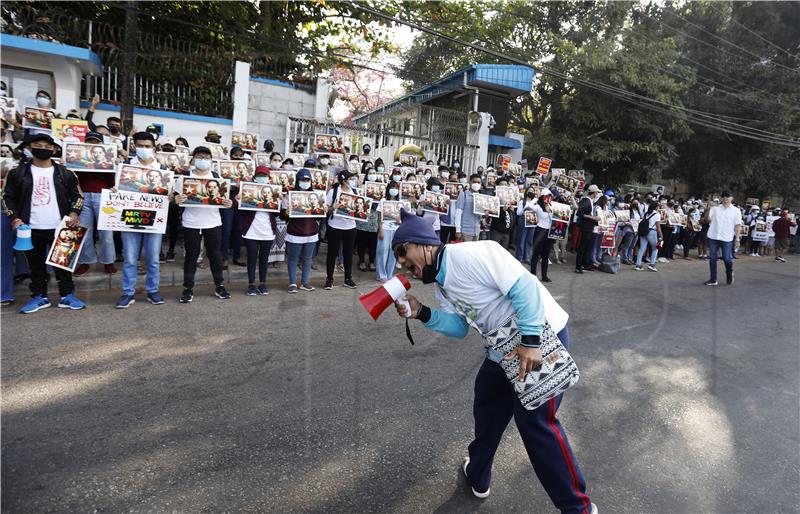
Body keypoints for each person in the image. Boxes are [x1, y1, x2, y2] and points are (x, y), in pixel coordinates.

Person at [391, 209, 595, 514]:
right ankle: (477, 473)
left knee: (536, 424)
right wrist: (421, 312)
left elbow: (523, 286)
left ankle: (578, 509)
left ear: (423, 243)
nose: (401, 263)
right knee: (487, 402)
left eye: (402, 251)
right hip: (502, 349)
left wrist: (530, 342)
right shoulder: (442, 283)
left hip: (538, 337)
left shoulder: (470, 254)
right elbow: (460, 327)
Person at [2, 133, 87, 313]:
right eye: (38, 144)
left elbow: (78, 195)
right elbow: (7, 197)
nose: (43, 148)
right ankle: (40, 297)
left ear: (54, 149)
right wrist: (15, 218)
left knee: (63, 264)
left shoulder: (66, 173)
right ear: (29, 147)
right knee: (36, 265)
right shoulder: (17, 173)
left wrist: (74, 212)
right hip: (29, 227)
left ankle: (67, 296)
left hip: (63, 226)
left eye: (48, 146)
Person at [174, 146, 233, 302]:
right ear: (193, 159)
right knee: (191, 257)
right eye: (199, 157)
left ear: (211, 160)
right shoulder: (184, 177)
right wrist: (177, 200)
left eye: (206, 157)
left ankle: (219, 286)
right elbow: (174, 199)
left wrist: (228, 203)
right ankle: (188, 288)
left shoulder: (217, 178)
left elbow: (224, 200)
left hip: (213, 223)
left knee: (215, 255)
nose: (203, 160)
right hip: (191, 223)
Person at [114, 131, 167, 308]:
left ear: (154, 148)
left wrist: (172, 196)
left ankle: (153, 290)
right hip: (130, 217)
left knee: (153, 258)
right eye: (140, 146)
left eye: (147, 146)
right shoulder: (126, 166)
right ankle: (128, 292)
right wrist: (114, 192)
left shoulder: (163, 170)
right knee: (130, 258)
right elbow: (117, 190)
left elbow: (170, 195)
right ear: (134, 147)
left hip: (154, 219)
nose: (144, 149)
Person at [73, 131, 118, 277]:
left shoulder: (108, 159)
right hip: (83, 196)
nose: (93, 144)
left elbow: (112, 182)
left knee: (106, 233)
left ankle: (108, 261)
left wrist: (115, 167)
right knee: (83, 231)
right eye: (90, 141)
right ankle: (86, 261)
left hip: (103, 196)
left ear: (101, 144)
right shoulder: (78, 158)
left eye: (96, 142)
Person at [240, 165, 276, 296]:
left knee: (264, 259)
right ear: (255, 178)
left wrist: (280, 204)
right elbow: (242, 213)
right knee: (252, 258)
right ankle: (251, 284)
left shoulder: (274, 193)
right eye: (259, 176)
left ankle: (262, 283)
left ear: (269, 178)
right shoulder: (248, 192)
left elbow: (277, 214)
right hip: (251, 231)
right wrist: (240, 201)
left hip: (267, 231)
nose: (262, 178)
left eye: (264, 176)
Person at [324, 169, 359, 290]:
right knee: (332, 254)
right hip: (335, 226)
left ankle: (348, 278)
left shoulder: (354, 191)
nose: (352, 181)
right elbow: (326, 209)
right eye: (350, 179)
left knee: (348, 254)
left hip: (350, 227)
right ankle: (329, 279)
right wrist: (333, 207)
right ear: (343, 181)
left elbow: (359, 209)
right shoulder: (333, 192)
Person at [703, 191, 742, 286]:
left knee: (727, 258)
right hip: (713, 236)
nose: (725, 198)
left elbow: (738, 225)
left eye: (728, 196)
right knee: (712, 258)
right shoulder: (715, 209)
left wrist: (737, 239)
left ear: (732, 198)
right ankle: (713, 279)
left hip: (727, 237)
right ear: (721, 198)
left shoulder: (736, 211)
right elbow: (707, 220)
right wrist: (707, 210)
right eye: (723, 196)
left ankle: (729, 273)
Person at [375, 181, 402, 282]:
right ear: (388, 189)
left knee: (393, 251)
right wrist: (380, 229)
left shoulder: (400, 203)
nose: (394, 189)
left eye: (396, 187)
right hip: (385, 229)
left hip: (396, 230)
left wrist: (400, 221)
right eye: (392, 187)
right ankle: (381, 275)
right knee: (382, 251)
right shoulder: (383, 201)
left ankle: (389, 273)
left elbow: (403, 217)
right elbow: (379, 216)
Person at [574, 185, 601, 273]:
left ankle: (583, 265)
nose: (597, 194)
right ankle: (578, 266)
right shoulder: (586, 201)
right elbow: (579, 213)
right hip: (586, 227)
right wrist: (593, 218)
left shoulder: (588, 200)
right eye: (597, 192)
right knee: (582, 247)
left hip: (588, 227)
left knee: (586, 247)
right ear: (594, 193)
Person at [530, 188, 555, 283]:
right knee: (536, 254)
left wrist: (550, 211)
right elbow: (528, 206)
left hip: (548, 232)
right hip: (539, 230)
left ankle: (544, 276)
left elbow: (555, 218)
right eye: (546, 196)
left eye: (550, 197)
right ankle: (533, 275)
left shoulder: (551, 206)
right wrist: (535, 198)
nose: (548, 199)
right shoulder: (538, 207)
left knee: (545, 255)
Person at [635, 199, 663, 272]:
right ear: (656, 207)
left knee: (642, 248)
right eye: (658, 207)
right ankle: (652, 264)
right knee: (655, 248)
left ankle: (638, 265)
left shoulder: (647, 213)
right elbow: (658, 226)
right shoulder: (657, 215)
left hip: (644, 232)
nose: (659, 208)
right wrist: (661, 235)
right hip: (652, 232)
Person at [455, 173, 484, 241]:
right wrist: (458, 230)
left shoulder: (481, 197)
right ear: (470, 182)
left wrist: (485, 215)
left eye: (478, 182)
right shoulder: (463, 195)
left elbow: (481, 215)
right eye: (474, 182)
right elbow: (458, 213)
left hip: (476, 231)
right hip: (465, 231)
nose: (476, 184)